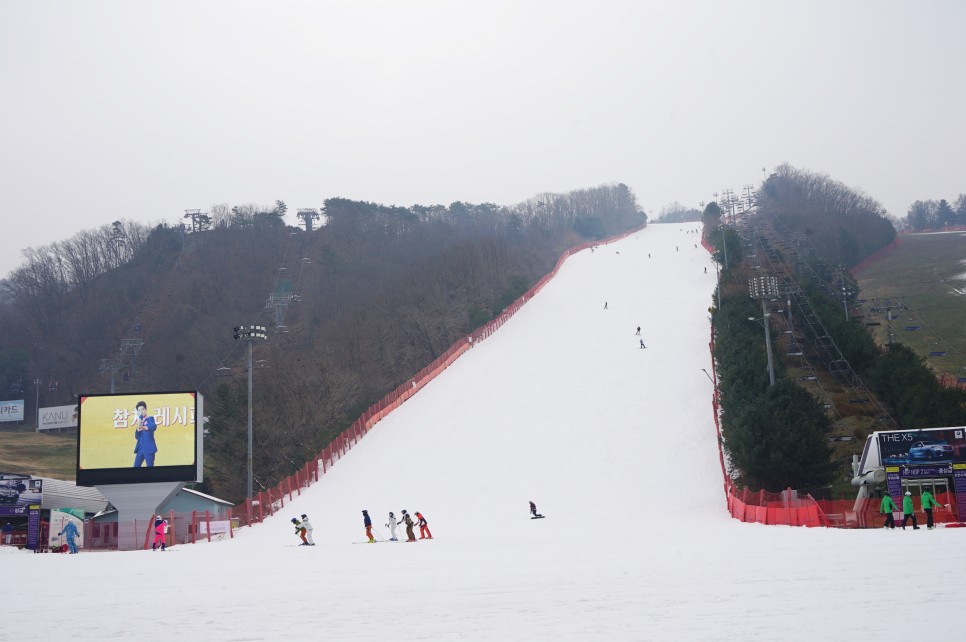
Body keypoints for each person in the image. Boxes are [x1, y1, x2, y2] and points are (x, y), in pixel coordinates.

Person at [132, 400, 158, 468]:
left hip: (149, 448)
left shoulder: (150, 418)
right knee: (135, 466)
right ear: (137, 412)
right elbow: (137, 437)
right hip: (140, 448)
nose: (141, 411)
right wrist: (138, 430)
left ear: (146, 410)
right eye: (139, 410)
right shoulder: (139, 422)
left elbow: (154, 426)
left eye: (143, 409)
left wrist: (145, 427)